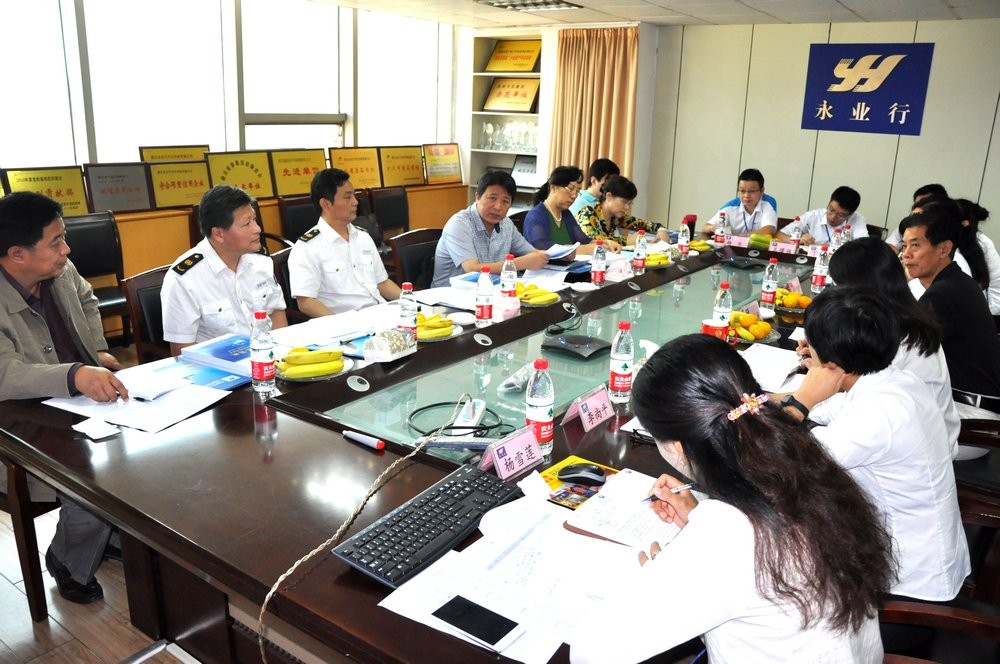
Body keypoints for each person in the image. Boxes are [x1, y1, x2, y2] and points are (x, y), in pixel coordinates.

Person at [570, 334, 893, 663]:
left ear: (677, 446)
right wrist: (699, 517)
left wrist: (657, 580)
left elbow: (591, 653)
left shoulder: (728, 534)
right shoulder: (805, 463)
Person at [781, 287, 970, 603]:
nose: (807, 352)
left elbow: (784, 464)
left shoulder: (876, 415)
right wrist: (781, 400)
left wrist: (800, 401)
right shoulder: (894, 380)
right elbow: (831, 410)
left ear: (831, 362)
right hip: (919, 556)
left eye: (810, 346)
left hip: (905, 587)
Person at [0, 191, 126, 604]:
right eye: (55, 242)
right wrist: (75, 374)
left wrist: (96, 351)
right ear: (17, 254)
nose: (66, 250)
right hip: (18, 423)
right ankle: (68, 560)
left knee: (138, 454)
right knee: (88, 478)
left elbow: (88, 300)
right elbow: (4, 374)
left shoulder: (61, 269)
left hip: (77, 400)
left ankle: (108, 534)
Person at [816, 238, 959, 453]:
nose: (836, 293)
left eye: (839, 285)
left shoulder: (897, 336)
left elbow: (855, 401)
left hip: (915, 447)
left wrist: (819, 370)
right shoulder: (902, 316)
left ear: (859, 287)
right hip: (912, 437)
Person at [161, 185, 287, 354]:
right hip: (218, 365)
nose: (257, 228)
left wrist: (279, 355)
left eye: (254, 219)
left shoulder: (260, 261)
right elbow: (181, 349)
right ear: (218, 234)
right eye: (247, 223)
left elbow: (276, 313)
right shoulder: (184, 278)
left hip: (267, 358)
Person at [899, 205, 1000, 411]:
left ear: (944, 249)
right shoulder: (957, 281)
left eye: (915, 245)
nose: (906, 254)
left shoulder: (943, 294)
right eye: (904, 246)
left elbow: (902, 352)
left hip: (970, 411)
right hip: (964, 401)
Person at [289, 168, 402, 317]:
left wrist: (412, 301)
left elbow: (382, 283)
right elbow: (306, 302)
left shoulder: (363, 237)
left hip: (379, 314)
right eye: (347, 197)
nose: (355, 202)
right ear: (326, 204)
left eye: (354, 195)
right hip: (345, 323)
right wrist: (343, 324)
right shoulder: (307, 248)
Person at [431, 170, 548, 288]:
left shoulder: (506, 224)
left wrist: (542, 256)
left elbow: (533, 253)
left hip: (493, 291)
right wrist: (519, 263)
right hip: (451, 294)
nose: (498, 207)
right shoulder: (459, 224)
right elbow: (472, 270)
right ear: (477, 197)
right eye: (492, 198)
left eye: (505, 201)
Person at [523, 166, 619, 256]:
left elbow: (584, 240)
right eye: (570, 188)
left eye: (577, 191)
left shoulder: (566, 214)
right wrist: (585, 249)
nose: (574, 195)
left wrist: (605, 243)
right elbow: (540, 246)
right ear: (553, 188)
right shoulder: (535, 215)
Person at [575, 175, 670, 246]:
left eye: (630, 203)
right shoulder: (587, 212)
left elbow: (645, 224)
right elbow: (595, 242)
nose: (627, 207)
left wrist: (661, 230)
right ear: (609, 196)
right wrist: (627, 241)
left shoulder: (616, 217)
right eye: (624, 202)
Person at [776, 186, 868, 246]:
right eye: (831, 209)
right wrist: (798, 240)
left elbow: (864, 246)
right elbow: (779, 234)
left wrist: (816, 246)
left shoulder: (857, 220)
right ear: (829, 203)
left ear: (850, 214)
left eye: (840, 215)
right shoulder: (813, 216)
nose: (832, 217)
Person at [952, 198, 1000, 315]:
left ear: (964, 223)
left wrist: (989, 312)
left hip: (982, 311)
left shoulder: (983, 242)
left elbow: (996, 282)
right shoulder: (946, 242)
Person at [702, 168, 778, 237]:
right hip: (735, 247)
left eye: (752, 191)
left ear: (762, 191)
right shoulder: (731, 206)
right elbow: (705, 227)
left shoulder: (768, 203)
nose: (746, 195)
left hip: (761, 246)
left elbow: (768, 229)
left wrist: (741, 237)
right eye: (742, 191)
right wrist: (713, 228)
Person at [886, 183, 948, 249]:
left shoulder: (947, 230)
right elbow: (889, 246)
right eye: (917, 204)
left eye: (924, 204)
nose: (919, 209)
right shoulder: (908, 224)